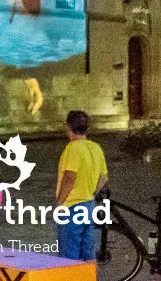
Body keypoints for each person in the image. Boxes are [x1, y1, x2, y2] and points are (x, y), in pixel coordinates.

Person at [55, 109, 108, 260]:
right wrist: (91, 192)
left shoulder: (72, 148)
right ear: (87, 128)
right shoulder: (96, 148)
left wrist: (60, 203)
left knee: (69, 256)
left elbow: (70, 177)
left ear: (68, 127)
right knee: (87, 254)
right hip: (88, 206)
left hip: (71, 207)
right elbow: (103, 177)